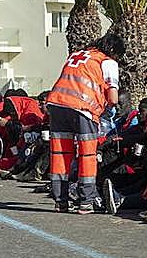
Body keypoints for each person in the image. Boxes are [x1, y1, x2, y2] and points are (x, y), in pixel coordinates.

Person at [45, 34, 124, 213]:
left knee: (60, 155)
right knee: (87, 155)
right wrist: (110, 107)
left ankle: (60, 201)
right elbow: (113, 97)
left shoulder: (77, 55)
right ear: (114, 51)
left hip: (57, 105)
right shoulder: (108, 62)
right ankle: (86, 202)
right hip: (82, 108)